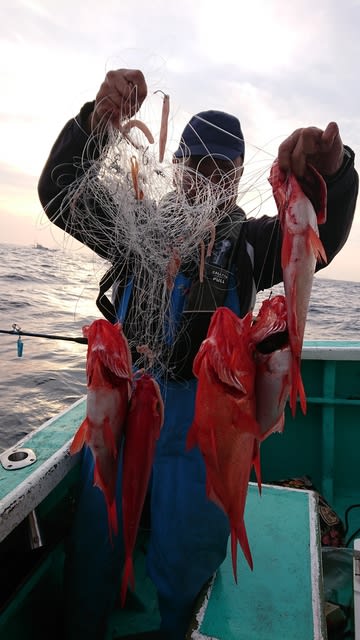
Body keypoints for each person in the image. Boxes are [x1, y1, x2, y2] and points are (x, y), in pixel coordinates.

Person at [38, 68, 358, 640]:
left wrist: (331, 174)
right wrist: (96, 121)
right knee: (95, 544)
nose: (206, 183)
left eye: (223, 172)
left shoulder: (251, 247)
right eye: (196, 167)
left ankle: (177, 625)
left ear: (236, 181)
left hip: (201, 427)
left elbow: (318, 244)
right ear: (177, 166)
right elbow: (60, 193)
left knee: (187, 562)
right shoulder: (138, 225)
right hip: (126, 412)